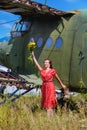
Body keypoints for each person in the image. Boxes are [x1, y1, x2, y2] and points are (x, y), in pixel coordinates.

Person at [31, 51, 69, 117]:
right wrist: (33, 56)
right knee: (45, 101)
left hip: (50, 86)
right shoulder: (42, 71)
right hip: (44, 86)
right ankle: (50, 115)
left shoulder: (52, 71)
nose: (45, 63)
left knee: (50, 101)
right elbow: (37, 65)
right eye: (44, 62)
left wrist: (62, 85)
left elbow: (58, 79)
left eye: (46, 62)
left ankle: (49, 117)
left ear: (49, 64)